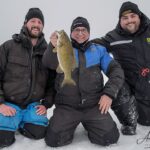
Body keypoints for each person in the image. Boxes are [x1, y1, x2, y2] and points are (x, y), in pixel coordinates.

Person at [42, 16, 124, 147]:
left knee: (110, 137)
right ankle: (69, 124)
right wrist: (51, 46)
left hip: (93, 106)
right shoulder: (61, 47)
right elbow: (48, 63)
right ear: (70, 33)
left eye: (84, 30)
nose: (80, 33)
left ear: (89, 32)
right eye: (76, 30)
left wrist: (108, 93)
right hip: (66, 107)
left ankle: (90, 124)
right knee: (54, 139)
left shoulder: (99, 50)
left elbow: (116, 71)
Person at [0, 8, 55, 148]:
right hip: (9, 104)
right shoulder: (8, 47)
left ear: (43, 26)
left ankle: (22, 121)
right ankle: (12, 120)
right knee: (2, 139)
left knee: (38, 133)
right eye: (33, 21)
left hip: (33, 106)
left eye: (39, 22)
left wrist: (46, 104)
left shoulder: (48, 51)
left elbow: (52, 82)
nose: (36, 24)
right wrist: (1, 104)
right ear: (25, 23)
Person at [92, 1, 150, 133]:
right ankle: (129, 122)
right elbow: (93, 46)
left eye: (132, 16)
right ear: (120, 20)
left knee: (146, 120)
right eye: (125, 18)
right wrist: (68, 44)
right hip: (128, 88)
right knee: (116, 86)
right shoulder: (113, 37)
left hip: (147, 84)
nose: (129, 20)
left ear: (139, 16)